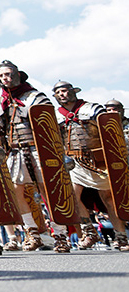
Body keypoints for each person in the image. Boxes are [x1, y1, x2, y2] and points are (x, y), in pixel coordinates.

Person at [0, 61, 70, 253]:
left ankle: (60, 234)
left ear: (18, 74)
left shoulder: (34, 97)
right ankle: (32, 232)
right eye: (1, 76)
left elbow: (48, 122)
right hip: (15, 150)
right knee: (15, 192)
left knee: (48, 191)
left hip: (38, 149)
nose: (5, 78)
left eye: (8, 74)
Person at [53, 81, 129, 251]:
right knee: (71, 195)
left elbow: (109, 129)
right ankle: (89, 231)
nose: (62, 94)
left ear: (73, 91)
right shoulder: (56, 116)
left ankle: (121, 236)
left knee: (108, 199)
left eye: (64, 91)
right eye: (58, 92)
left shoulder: (92, 109)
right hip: (75, 163)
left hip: (99, 161)